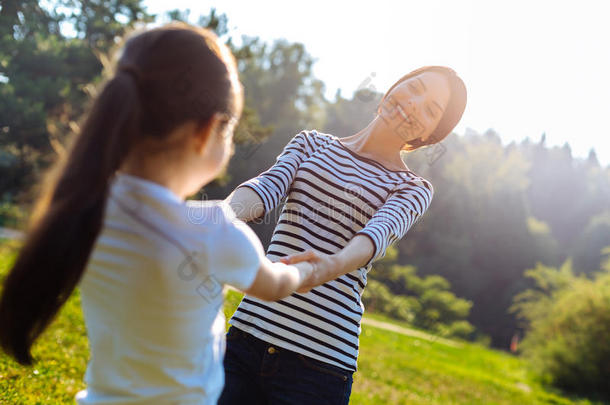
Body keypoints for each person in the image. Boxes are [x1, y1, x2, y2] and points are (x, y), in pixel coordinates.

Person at [0, 23, 315, 404]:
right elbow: (274, 285)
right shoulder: (212, 229)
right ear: (209, 129)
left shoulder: (87, 205)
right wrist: (310, 269)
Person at [219, 66, 467, 404]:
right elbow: (267, 187)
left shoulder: (411, 187)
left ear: (429, 135)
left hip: (318, 369)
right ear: (393, 87)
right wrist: (219, 216)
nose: (413, 104)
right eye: (415, 89)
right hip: (245, 340)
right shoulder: (311, 143)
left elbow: (374, 237)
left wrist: (329, 266)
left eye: (430, 110)